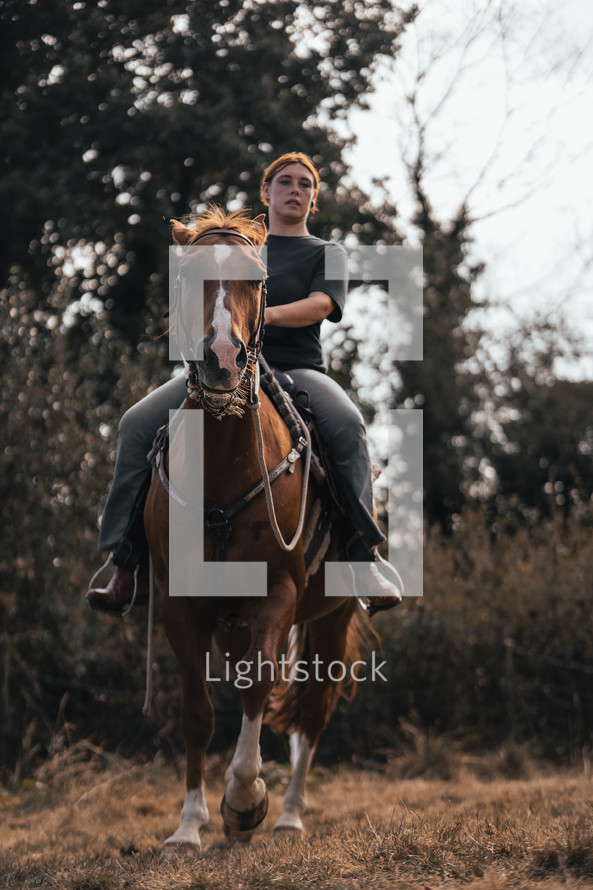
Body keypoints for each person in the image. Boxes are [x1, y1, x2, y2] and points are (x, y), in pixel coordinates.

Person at [86, 152, 402, 615]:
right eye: (285, 182)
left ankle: (363, 557)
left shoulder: (325, 253)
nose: (295, 190)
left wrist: (255, 316)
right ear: (266, 192)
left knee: (349, 424)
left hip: (298, 370)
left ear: (313, 199)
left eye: (305, 185)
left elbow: (320, 305)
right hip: (224, 366)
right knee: (136, 423)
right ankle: (126, 565)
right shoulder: (235, 247)